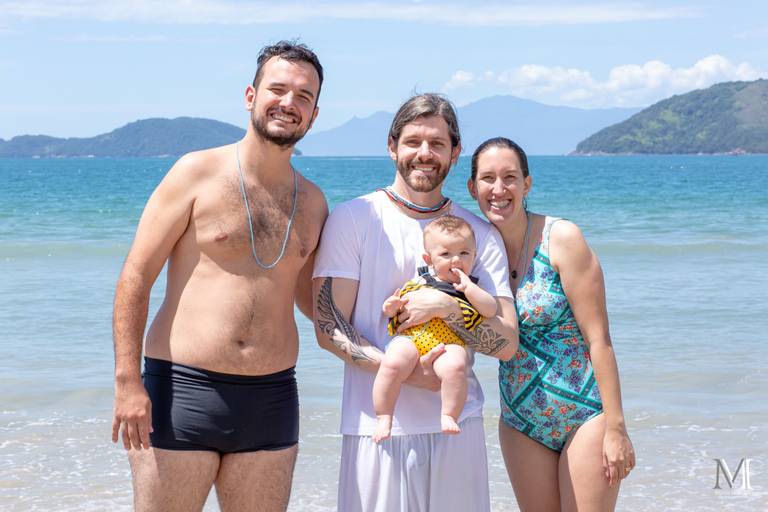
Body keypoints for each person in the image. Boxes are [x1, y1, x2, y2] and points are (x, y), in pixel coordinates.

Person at [111, 41, 328, 512]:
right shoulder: (196, 172)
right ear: (251, 95)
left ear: (314, 114)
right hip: (182, 390)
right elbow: (136, 278)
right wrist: (128, 382)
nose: (289, 103)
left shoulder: (313, 202)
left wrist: (393, 328)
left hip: (272, 398)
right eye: (278, 89)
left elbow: (314, 305)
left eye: (304, 96)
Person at [312, 93, 519, 512]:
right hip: (375, 427)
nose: (424, 154)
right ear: (392, 146)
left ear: (455, 152)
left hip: (457, 425)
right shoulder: (353, 219)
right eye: (412, 142)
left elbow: (508, 343)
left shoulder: (478, 235)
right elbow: (328, 327)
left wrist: (446, 308)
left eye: (437, 144)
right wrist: (406, 372)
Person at [467, 137, 636, 511]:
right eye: (488, 178)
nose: (499, 189)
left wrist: (616, 428)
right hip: (519, 423)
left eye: (510, 177)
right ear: (472, 187)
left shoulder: (561, 238)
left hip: (584, 417)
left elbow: (600, 340)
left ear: (527, 184)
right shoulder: (472, 253)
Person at [373, 215, 498, 442]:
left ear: (475, 256)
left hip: (449, 341)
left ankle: (449, 414)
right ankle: (384, 415)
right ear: (428, 259)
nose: (456, 260)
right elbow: (396, 309)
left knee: (456, 367)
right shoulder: (420, 281)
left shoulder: (470, 287)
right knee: (391, 363)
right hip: (413, 336)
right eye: (446, 254)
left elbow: (490, 309)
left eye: (464, 253)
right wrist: (390, 307)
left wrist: (469, 288)